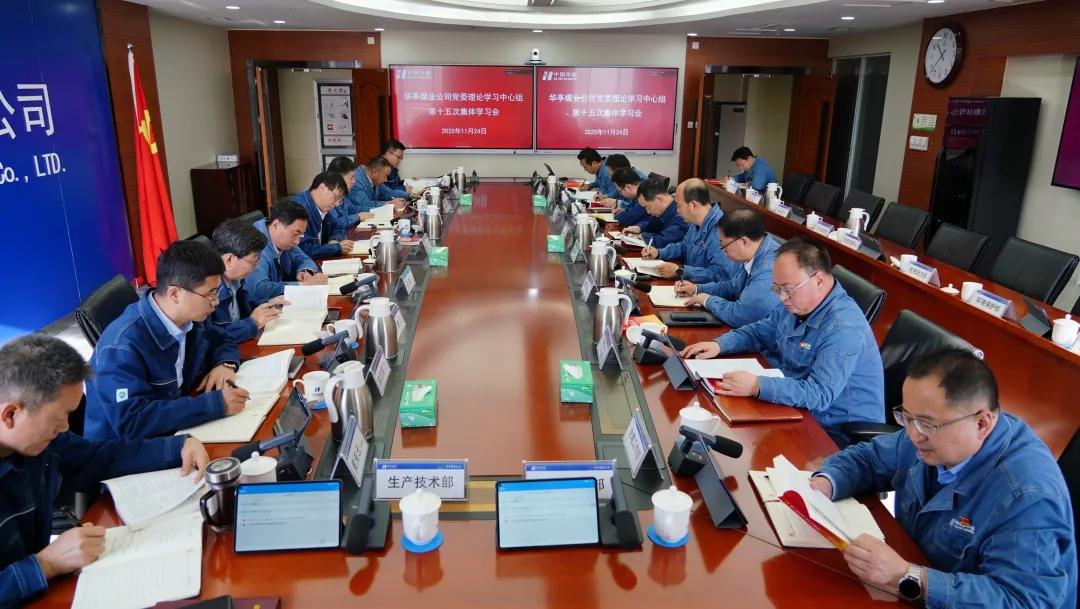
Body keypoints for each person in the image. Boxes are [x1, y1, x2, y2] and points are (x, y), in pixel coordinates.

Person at [811, 349, 1076, 607]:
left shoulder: (1026, 496)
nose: (913, 434)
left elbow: (1023, 600)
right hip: (909, 573)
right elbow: (870, 459)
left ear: (982, 423)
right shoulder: (932, 435)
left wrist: (908, 576)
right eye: (907, 417)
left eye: (926, 423)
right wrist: (825, 483)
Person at [0, 334, 211, 608]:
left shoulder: (39, 442)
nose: (65, 427)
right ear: (11, 414)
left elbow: (97, 458)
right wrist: (45, 564)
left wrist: (176, 447)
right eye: (58, 417)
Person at [680, 238, 883, 446]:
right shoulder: (799, 303)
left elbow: (819, 394)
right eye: (777, 289)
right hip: (793, 405)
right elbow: (760, 331)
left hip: (834, 432)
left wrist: (757, 385)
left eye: (788, 289)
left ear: (819, 280)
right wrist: (719, 345)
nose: (782, 297)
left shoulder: (844, 328)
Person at [84, 241, 250, 441]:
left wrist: (225, 365)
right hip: (127, 450)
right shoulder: (121, 346)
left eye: (217, 292)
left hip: (173, 428)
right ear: (175, 294)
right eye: (210, 294)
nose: (216, 302)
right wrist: (213, 405)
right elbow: (133, 421)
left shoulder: (190, 318)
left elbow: (222, 339)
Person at [675, 209, 782, 328]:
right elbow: (733, 287)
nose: (723, 252)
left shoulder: (769, 268)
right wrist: (696, 289)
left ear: (743, 241)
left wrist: (708, 300)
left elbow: (742, 315)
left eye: (724, 246)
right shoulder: (754, 254)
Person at [641, 178, 738, 282]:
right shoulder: (695, 222)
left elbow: (721, 275)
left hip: (702, 290)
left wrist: (681, 271)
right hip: (688, 285)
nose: (677, 211)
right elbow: (684, 247)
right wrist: (659, 253)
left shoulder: (720, 230)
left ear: (693, 205)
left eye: (679, 206)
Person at [209, 218, 286, 343]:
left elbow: (246, 309)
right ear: (229, 260)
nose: (256, 266)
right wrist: (253, 323)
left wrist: (268, 303)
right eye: (253, 261)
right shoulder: (209, 293)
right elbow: (213, 340)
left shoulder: (236, 280)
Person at [245, 198, 328, 306]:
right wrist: (302, 285)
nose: (297, 241)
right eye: (295, 233)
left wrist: (305, 272)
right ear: (276, 225)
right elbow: (259, 289)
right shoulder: (256, 246)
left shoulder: (282, 239)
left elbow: (303, 258)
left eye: (300, 235)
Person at [293, 171, 355, 259]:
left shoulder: (321, 207)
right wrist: (335, 248)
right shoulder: (298, 209)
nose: (336, 204)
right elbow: (303, 250)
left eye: (340, 200)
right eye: (336, 197)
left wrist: (334, 240)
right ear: (322, 188)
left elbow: (337, 228)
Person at [619, 178, 688, 249]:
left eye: (647, 207)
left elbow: (664, 241)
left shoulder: (682, 215)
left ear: (659, 200)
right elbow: (653, 223)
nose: (648, 212)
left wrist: (643, 236)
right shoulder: (664, 211)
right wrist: (639, 228)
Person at [342, 156, 405, 226]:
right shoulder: (357, 181)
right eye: (385, 176)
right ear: (375, 172)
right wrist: (386, 205)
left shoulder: (375, 180)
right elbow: (364, 205)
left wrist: (409, 195)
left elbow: (387, 192)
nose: (386, 179)